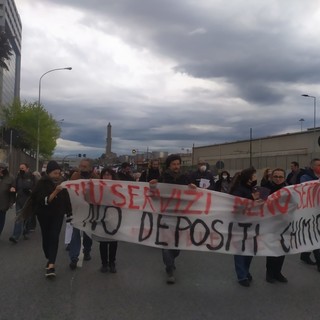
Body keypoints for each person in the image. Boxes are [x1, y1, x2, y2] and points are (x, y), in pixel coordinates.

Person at [149, 154, 196, 284]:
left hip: (181, 216)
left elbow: (193, 196)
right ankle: (169, 269)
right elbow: (154, 195)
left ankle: (172, 259)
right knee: (166, 244)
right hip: (165, 215)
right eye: (174, 164)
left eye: (178, 164)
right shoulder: (163, 177)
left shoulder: (185, 178)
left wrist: (193, 189)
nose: (176, 166)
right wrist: (153, 187)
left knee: (177, 245)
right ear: (169, 165)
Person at [32, 160, 72, 278]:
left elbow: (66, 199)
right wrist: (56, 191)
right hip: (44, 214)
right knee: (46, 238)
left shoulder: (62, 183)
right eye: (55, 173)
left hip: (57, 215)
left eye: (59, 173)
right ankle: (49, 257)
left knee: (54, 237)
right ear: (49, 173)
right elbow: (43, 201)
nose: (57, 175)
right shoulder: (41, 183)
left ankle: (51, 264)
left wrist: (69, 212)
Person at [229, 167, 260, 287]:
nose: (255, 177)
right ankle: (241, 276)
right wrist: (252, 200)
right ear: (248, 177)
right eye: (254, 175)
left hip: (252, 223)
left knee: (250, 250)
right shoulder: (238, 189)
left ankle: (246, 271)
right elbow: (238, 206)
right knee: (240, 250)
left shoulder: (250, 188)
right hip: (240, 224)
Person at [69, 158, 99, 270]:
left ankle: (87, 251)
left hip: (89, 210)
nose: (82, 168)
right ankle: (73, 257)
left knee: (87, 233)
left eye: (84, 166)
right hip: (77, 210)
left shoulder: (95, 178)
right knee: (75, 233)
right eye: (81, 166)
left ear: (90, 168)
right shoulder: (75, 176)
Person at [264, 168, 288, 283]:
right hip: (270, 224)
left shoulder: (289, 189)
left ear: (284, 178)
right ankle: (270, 273)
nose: (278, 179)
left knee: (282, 249)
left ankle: (278, 272)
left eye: (280, 177)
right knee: (271, 249)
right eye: (276, 176)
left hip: (285, 224)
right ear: (271, 177)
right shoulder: (266, 189)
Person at [299, 158, 320, 269]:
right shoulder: (305, 177)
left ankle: (305, 255)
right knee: (316, 235)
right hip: (310, 212)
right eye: (318, 165)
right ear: (312, 167)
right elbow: (306, 192)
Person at [97, 167, 118, 273]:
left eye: (108, 174)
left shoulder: (118, 187)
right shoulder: (97, 187)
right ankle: (104, 263)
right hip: (102, 217)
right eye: (104, 174)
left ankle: (112, 263)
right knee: (103, 242)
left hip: (115, 217)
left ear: (112, 176)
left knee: (113, 241)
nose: (106, 176)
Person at [9, 163, 36, 243]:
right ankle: (15, 236)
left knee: (27, 218)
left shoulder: (32, 177)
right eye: (20, 168)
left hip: (28, 201)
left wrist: (30, 191)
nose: (21, 169)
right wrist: (13, 188)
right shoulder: (18, 177)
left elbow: (36, 188)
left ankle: (26, 231)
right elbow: (14, 186)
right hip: (19, 201)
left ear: (27, 169)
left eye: (23, 168)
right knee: (18, 218)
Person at [0, 163, 16, 237]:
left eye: (1, 169)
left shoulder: (11, 178)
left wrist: (11, 202)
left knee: (1, 220)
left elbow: (13, 192)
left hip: (3, 203)